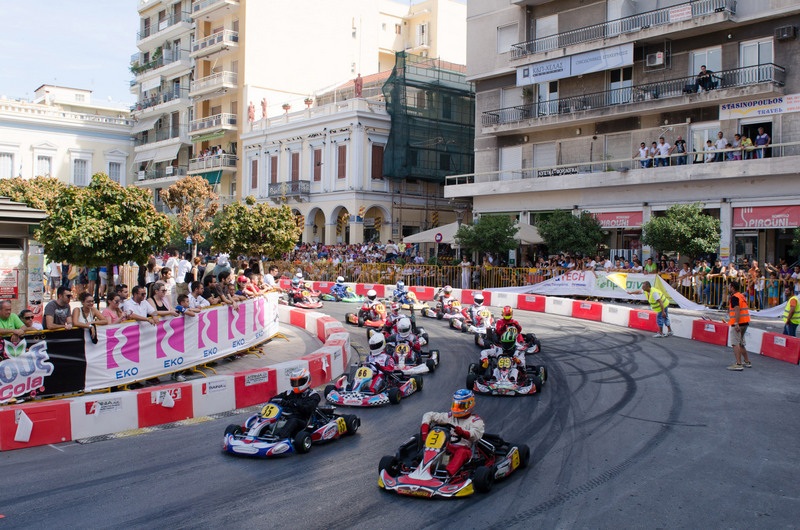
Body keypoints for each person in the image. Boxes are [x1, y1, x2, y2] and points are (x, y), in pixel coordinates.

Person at [420, 389, 485, 477]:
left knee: (462, 452)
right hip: (446, 446)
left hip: (462, 448)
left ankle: (447, 474)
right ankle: (421, 467)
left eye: (460, 406)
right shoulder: (449, 417)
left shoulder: (476, 421)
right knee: (432, 444)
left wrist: (463, 433)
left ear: (469, 405)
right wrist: (425, 429)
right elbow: (428, 415)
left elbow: (476, 435)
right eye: (455, 405)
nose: (457, 408)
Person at [267, 368, 320, 439]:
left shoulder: (313, 395)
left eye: (299, 382)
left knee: (293, 420)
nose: (296, 385)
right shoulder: (289, 393)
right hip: (285, 417)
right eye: (294, 382)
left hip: (303, 421)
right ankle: (257, 433)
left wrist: (291, 404)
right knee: (264, 417)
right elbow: (273, 399)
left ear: (307, 380)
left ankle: (279, 437)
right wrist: (275, 401)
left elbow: (308, 409)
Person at [726, 280, 752, 370]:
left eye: (729, 286)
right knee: (741, 343)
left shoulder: (734, 297)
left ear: (732, 288)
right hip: (745, 322)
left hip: (738, 324)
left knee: (735, 343)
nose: (729, 288)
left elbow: (737, 309)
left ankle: (738, 364)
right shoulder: (741, 296)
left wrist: (736, 323)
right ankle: (747, 362)